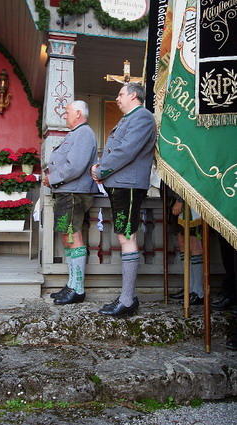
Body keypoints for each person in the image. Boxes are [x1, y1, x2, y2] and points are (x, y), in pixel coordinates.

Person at [91, 82, 156, 317]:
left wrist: (101, 170)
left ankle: (128, 300)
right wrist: (102, 169)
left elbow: (126, 151)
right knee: (123, 234)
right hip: (120, 184)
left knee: (127, 235)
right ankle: (127, 297)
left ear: (133, 95)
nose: (117, 98)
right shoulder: (130, 118)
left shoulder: (142, 117)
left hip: (127, 184)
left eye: (120, 94)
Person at [43, 100, 98, 305]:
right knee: (67, 236)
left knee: (73, 236)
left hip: (74, 193)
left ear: (78, 113)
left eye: (67, 113)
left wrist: (52, 178)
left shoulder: (84, 133)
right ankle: (72, 283)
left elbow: (75, 166)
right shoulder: (76, 134)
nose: (64, 116)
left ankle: (78, 289)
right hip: (67, 192)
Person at [168, 193, 204, 305]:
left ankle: (198, 292)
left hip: (189, 200)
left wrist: (180, 199)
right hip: (174, 198)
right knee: (182, 243)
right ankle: (189, 287)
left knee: (193, 242)